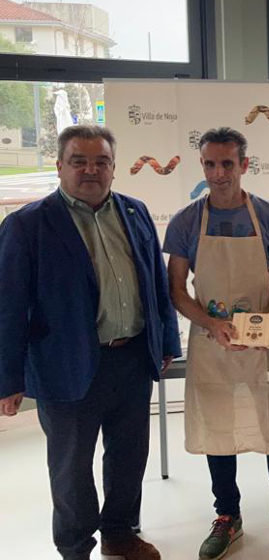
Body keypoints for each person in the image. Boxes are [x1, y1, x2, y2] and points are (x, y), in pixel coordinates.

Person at [0, 124, 180, 560]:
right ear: (60, 166)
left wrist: (166, 342)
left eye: (101, 161)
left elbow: (156, 285)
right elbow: (7, 307)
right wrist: (8, 380)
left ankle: (119, 533)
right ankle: (76, 547)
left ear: (114, 169)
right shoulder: (27, 226)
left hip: (132, 360)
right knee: (70, 467)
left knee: (128, 457)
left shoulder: (135, 214)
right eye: (79, 161)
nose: (90, 170)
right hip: (65, 366)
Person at [164, 127, 269, 560]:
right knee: (218, 430)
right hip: (212, 344)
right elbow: (177, 291)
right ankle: (227, 516)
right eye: (210, 163)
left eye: (228, 163)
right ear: (202, 165)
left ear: (244, 165)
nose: (219, 172)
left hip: (260, 343)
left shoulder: (268, 216)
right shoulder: (187, 221)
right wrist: (211, 323)